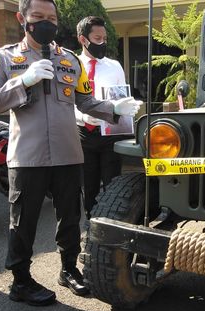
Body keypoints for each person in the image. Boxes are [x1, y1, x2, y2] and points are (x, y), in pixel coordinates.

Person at [0, 0, 141, 306]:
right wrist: (23, 81)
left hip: (69, 152)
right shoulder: (4, 58)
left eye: (51, 18)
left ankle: (68, 270)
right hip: (28, 156)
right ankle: (21, 281)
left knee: (70, 217)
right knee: (23, 221)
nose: (46, 23)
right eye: (38, 17)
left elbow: (85, 101)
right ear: (22, 18)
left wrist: (114, 109)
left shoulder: (69, 59)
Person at [75, 16, 136, 218]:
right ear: (83, 39)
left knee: (112, 182)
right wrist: (83, 117)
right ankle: (91, 222)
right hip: (83, 133)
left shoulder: (114, 66)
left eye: (105, 38)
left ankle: (110, 222)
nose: (102, 42)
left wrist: (128, 108)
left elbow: (121, 97)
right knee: (89, 184)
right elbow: (65, 102)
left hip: (110, 133)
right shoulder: (72, 65)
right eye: (97, 38)